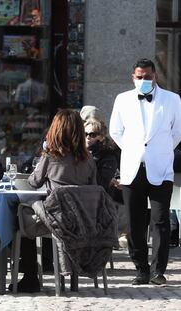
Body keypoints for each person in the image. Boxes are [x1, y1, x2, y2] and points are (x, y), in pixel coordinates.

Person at [109, 58, 181, 286]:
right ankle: (141, 269)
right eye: (139, 77)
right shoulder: (122, 99)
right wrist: (134, 150)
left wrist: (159, 152)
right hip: (132, 169)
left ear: (155, 76)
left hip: (160, 169)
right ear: (133, 77)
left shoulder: (172, 99)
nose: (143, 81)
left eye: (147, 77)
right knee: (134, 223)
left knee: (160, 221)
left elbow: (177, 133)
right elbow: (115, 131)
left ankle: (158, 271)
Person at [11, 109, 97, 292]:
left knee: (21, 222)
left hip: (58, 220)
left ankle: (30, 277)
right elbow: (93, 189)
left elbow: (33, 182)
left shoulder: (51, 157)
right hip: (83, 221)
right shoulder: (89, 159)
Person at [84, 118, 118, 193]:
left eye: (92, 135)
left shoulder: (109, 156)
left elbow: (102, 183)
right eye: (85, 134)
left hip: (97, 198)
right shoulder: (79, 152)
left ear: (102, 137)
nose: (88, 137)